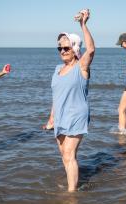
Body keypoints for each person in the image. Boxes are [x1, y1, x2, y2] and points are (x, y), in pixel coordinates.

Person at [44, 9, 95, 192]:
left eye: (66, 47)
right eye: (60, 48)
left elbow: (91, 49)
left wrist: (83, 24)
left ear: (74, 49)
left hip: (76, 114)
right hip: (60, 116)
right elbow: (56, 96)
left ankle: (71, 194)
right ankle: (72, 183)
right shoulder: (58, 69)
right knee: (65, 156)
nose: (62, 51)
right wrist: (51, 118)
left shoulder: (81, 67)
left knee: (69, 153)